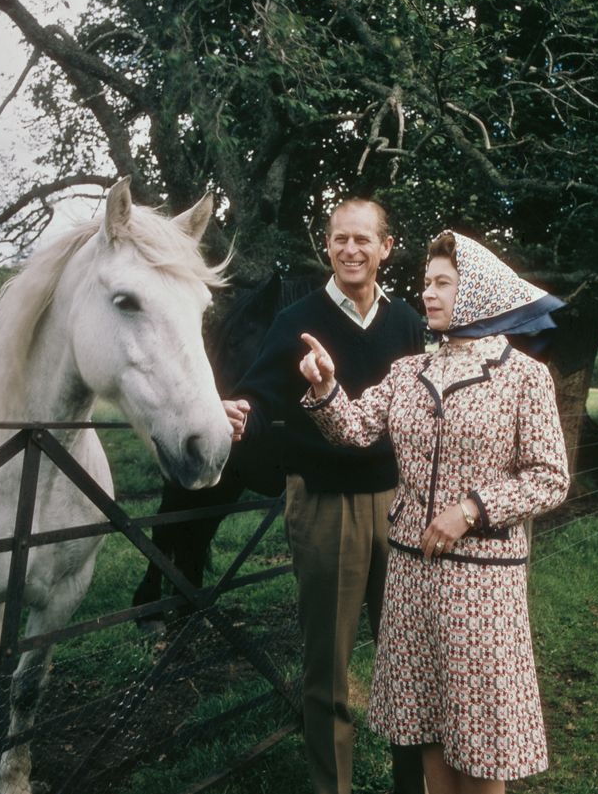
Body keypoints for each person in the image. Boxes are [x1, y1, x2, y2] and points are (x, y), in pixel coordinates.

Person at [298, 229, 569, 794]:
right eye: (426, 283)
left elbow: (550, 479)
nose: (429, 294)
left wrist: (471, 509)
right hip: (410, 576)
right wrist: (326, 388)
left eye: (445, 283)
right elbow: (352, 429)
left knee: (481, 738)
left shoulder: (524, 376)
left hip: (483, 585)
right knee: (426, 728)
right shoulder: (407, 371)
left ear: (478, 292)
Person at [222, 199, 426, 794]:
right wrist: (240, 415)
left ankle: (409, 784)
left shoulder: (408, 322)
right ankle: (331, 786)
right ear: (328, 246)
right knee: (328, 669)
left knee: (406, 661)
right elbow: (261, 398)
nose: (350, 250)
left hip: (398, 504)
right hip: (325, 506)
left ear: (386, 247)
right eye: (340, 239)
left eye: (363, 239)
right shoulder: (298, 320)